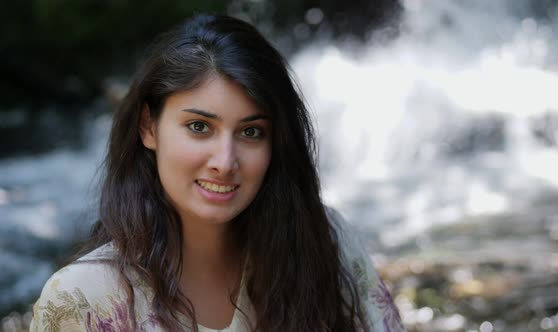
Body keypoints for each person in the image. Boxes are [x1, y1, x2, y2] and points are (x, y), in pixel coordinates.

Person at [29, 13, 406, 332]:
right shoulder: (83, 300)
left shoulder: (326, 243)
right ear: (148, 127)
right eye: (199, 127)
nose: (225, 161)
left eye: (251, 132)